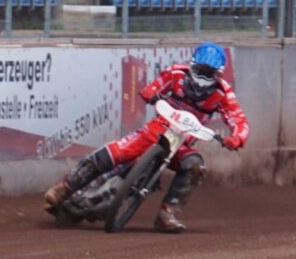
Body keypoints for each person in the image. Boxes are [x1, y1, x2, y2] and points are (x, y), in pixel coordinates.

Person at [43, 42, 249, 233]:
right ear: (192, 66)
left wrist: (236, 139)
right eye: (200, 71)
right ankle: (64, 189)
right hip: (157, 129)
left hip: (182, 143)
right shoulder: (176, 73)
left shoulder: (223, 93)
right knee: (116, 151)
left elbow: (239, 120)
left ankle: (167, 214)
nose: (203, 78)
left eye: (209, 73)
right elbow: (154, 86)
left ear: (218, 74)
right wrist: (150, 93)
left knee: (195, 164)